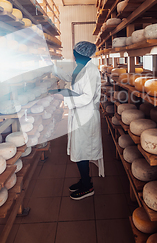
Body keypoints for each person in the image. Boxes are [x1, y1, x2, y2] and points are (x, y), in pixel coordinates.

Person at [51, 41, 104, 200]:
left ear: (79, 54)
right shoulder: (81, 66)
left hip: (86, 116)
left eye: (74, 52)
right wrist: (51, 67)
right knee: (80, 150)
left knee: (82, 151)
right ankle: (84, 180)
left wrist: (64, 98)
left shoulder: (91, 71)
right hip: (79, 115)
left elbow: (87, 98)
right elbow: (70, 77)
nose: (73, 55)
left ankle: (87, 187)